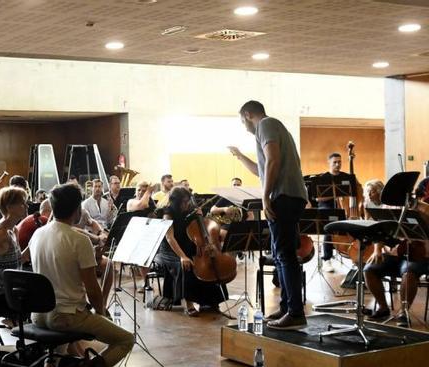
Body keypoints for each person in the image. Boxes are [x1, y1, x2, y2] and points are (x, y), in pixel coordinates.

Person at [29, 183, 134, 367]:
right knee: (125, 339)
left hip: (38, 314)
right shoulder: (79, 240)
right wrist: (101, 313)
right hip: (65, 316)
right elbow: (93, 289)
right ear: (78, 209)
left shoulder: (38, 234)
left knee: (67, 327)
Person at [229, 100, 308, 329]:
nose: (243, 125)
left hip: (283, 196)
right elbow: (261, 169)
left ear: (247, 114)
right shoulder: (271, 128)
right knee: (281, 253)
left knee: (285, 255)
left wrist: (265, 197)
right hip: (288, 196)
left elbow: (273, 160)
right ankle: (286, 308)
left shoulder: (266, 124)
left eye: (242, 120)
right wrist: (240, 156)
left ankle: (294, 313)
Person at [151, 187, 229, 315]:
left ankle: (210, 302)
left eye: (188, 201)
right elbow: (169, 238)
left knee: (209, 263)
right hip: (170, 250)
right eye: (184, 202)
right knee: (188, 265)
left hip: (187, 243)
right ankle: (189, 303)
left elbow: (199, 230)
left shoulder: (190, 210)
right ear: (176, 202)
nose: (187, 204)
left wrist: (200, 216)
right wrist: (183, 257)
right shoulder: (168, 213)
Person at [315, 152, 357, 267]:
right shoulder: (323, 178)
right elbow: (318, 198)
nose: (338, 164)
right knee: (330, 225)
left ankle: (355, 255)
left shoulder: (345, 177)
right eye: (335, 162)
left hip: (343, 206)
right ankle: (327, 259)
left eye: (339, 162)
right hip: (326, 206)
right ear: (329, 163)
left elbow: (355, 190)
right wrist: (335, 194)